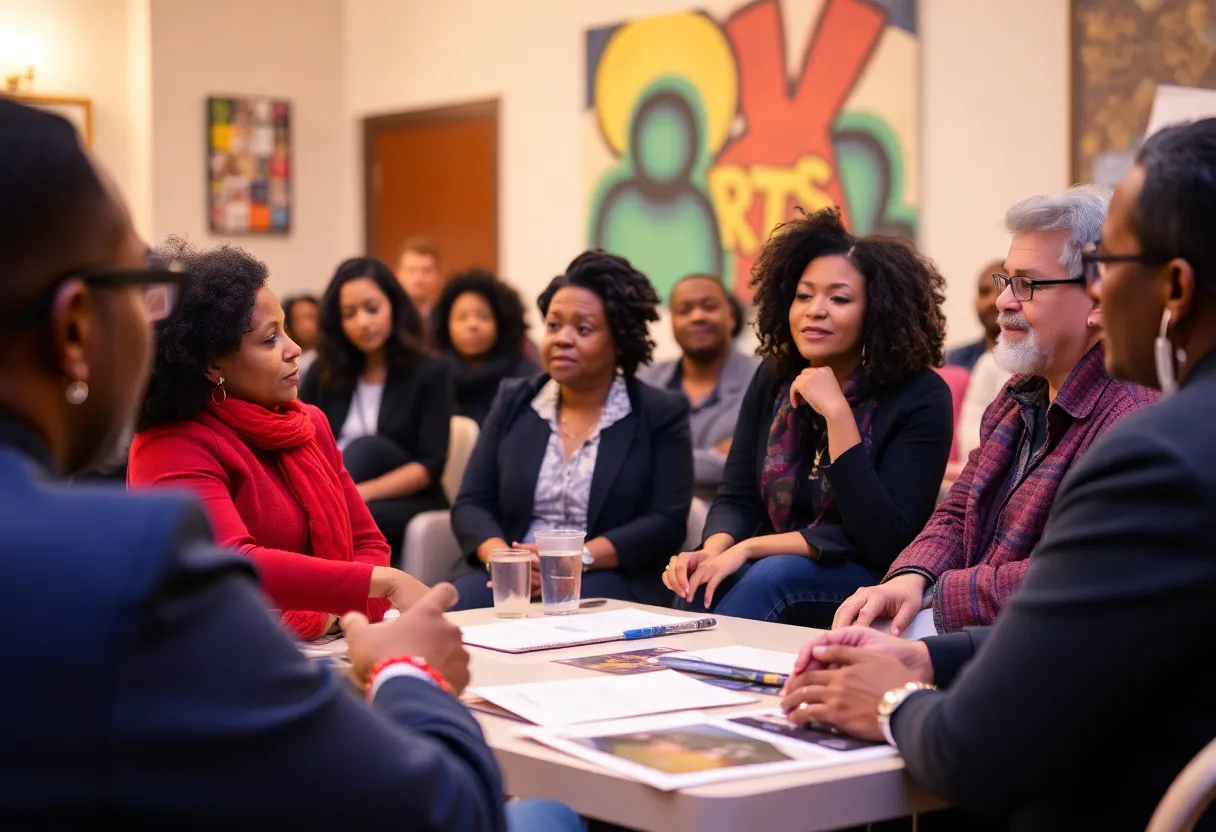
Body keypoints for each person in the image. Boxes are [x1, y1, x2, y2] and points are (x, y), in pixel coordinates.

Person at [0, 97, 580, 831]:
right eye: (141, 287)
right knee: (549, 818)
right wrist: (407, 671)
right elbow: (441, 810)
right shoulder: (130, 564)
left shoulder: (297, 428)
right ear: (76, 327)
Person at [779, 118, 1216, 831]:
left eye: (1111, 270)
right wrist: (915, 610)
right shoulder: (1018, 398)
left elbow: (976, 750)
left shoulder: (1154, 447)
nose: (1004, 301)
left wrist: (893, 696)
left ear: (1173, 286)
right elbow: (1062, 606)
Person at [833, 187, 1157, 637]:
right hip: (974, 622)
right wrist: (912, 577)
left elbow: (1071, 574)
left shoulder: (1132, 418)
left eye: (1027, 284)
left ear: (1099, 301)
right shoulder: (1018, 393)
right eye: (1006, 280)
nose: (1004, 301)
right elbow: (958, 510)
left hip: (1044, 645)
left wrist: (935, 599)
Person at [664, 208, 953, 627]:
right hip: (769, 558)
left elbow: (885, 539)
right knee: (700, 582)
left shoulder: (922, 395)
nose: (815, 310)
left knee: (774, 575)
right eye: (804, 295)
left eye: (838, 298)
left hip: (868, 577)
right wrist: (714, 548)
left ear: (878, 312)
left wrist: (837, 414)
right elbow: (737, 495)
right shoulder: (775, 374)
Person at [127, 241, 428, 641]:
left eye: (285, 331)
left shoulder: (309, 424)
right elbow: (231, 564)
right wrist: (370, 588)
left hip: (332, 641)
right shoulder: (170, 445)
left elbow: (367, 541)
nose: (296, 349)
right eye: (271, 339)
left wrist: (337, 612)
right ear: (213, 363)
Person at [449, 250, 693, 609]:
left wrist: (574, 558)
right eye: (553, 325)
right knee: (444, 615)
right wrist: (506, 562)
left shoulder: (658, 412)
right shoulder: (514, 400)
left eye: (583, 328)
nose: (562, 338)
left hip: (606, 576)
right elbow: (471, 503)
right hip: (509, 573)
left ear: (618, 341)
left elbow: (666, 521)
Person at [300, 257, 451, 565]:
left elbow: (429, 465)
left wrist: (356, 492)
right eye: (349, 314)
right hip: (334, 491)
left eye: (372, 308)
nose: (362, 323)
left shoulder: (431, 372)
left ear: (393, 305)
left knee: (366, 451)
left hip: (405, 495)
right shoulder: (323, 371)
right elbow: (301, 439)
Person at [638, 274, 760, 502]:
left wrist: (653, 456)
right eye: (684, 310)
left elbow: (749, 464)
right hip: (650, 522)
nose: (698, 317)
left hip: (737, 524)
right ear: (672, 323)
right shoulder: (643, 380)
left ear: (731, 316)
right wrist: (715, 455)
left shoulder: (763, 377)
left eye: (709, 306)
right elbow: (624, 460)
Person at [431, 268, 540, 425]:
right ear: (446, 325)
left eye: (483, 317)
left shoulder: (524, 376)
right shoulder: (434, 377)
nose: (473, 325)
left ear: (500, 322)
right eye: (462, 318)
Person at [944, 260, 1002, 371]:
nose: (992, 301)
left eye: (1001, 292)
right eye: (984, 292)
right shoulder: (953, 362)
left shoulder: (1035, 365)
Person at [397, 236, 443, 339]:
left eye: (426, 271)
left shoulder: (447, 318)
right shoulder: (389, 318)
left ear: (438, 275)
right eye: (411, 270)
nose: (419, 279)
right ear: (397, 274)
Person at [283, 293, 321, 376]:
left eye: (311, 317)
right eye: (297, 319)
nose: (305, 326)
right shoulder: (286, 358)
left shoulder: (331, 357)